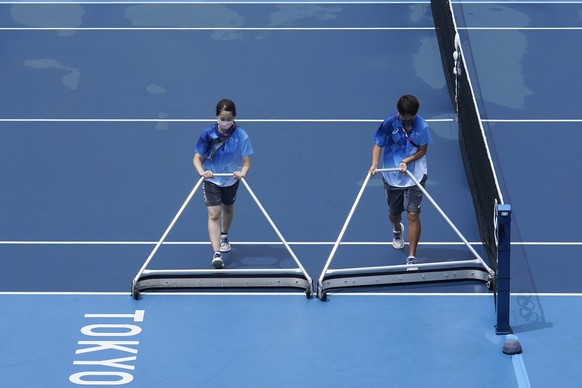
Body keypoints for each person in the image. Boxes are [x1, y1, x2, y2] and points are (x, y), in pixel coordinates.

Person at [368, 95, 433, 265]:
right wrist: (374, 164)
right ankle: (397, 229)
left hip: (415, 175)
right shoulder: (389, 123)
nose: (409, 118)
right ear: (400, 113)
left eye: (412, 115)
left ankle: (412, 256)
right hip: (392, 177)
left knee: (413, 214)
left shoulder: (422, 126)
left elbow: (422, 150)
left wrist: (406, 161)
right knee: (394, 214)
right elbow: (378, 145)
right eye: (406, 115)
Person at [193, 99, 253, 269]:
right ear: (216, 116)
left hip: (231, 179)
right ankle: (217, 252)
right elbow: (197, 158)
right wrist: (202, 172)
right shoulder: (208, 134)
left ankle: (224, 235)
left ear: (234, 117)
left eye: (229, 119)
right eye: (222, 119)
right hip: (211, 179)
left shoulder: (241, 135)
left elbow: (246, 161)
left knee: (228, 207)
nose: (225, 122)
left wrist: (242, 172)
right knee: (214, 214)